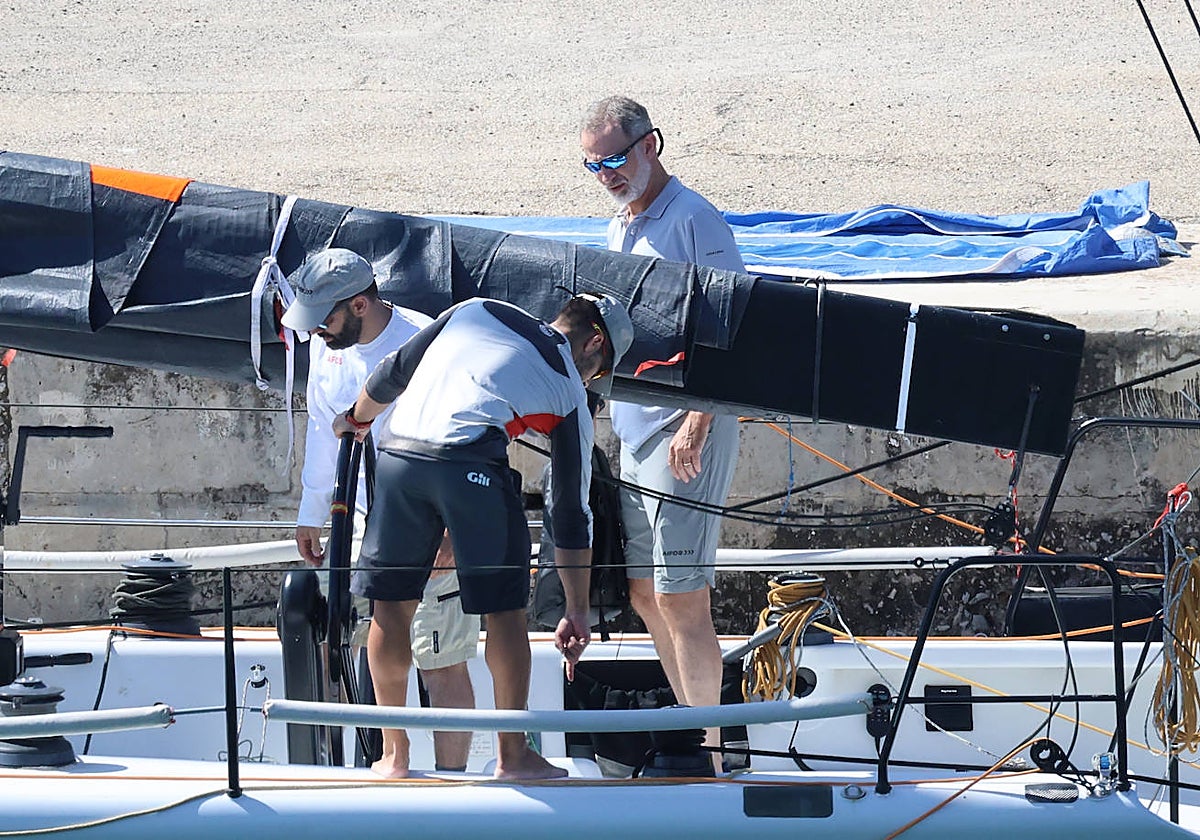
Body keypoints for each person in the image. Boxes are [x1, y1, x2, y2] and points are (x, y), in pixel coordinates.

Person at [332, 291, 635, 780]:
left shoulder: (476, 309)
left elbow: (392, 370)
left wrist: (357, 418)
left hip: (397, 455)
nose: (592, 385)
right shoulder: (568, 387)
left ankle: (393, 757)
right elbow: (572, 513)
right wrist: (577, 610)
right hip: (468, 463)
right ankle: (513, 758)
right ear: (593, 344)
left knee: (390, 608)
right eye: (598, 374)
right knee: (504, 612)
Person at [579, 95, 745, 767]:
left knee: (684, 594)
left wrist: (698, 425)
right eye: (593, 165)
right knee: (645, 593)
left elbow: (731, 332)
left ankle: (710, 752)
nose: (607, 174)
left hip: (685, 428)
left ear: (652, 145)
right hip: (636, 426)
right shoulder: (620, 225)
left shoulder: (695, 221)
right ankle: (692, 734)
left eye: (616, 158)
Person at [281, 248, 479, 771]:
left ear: (362, 304)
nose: (316, 331)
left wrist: (453, 534)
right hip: (369, 520)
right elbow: (326, 430)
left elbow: (471, 441)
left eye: (324, 318)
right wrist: (311, 510)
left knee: (442, 657)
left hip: (433, 518)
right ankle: (395, 759)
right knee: (381, 641)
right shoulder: (328, 346)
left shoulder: (429, 345)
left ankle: (452, 782)